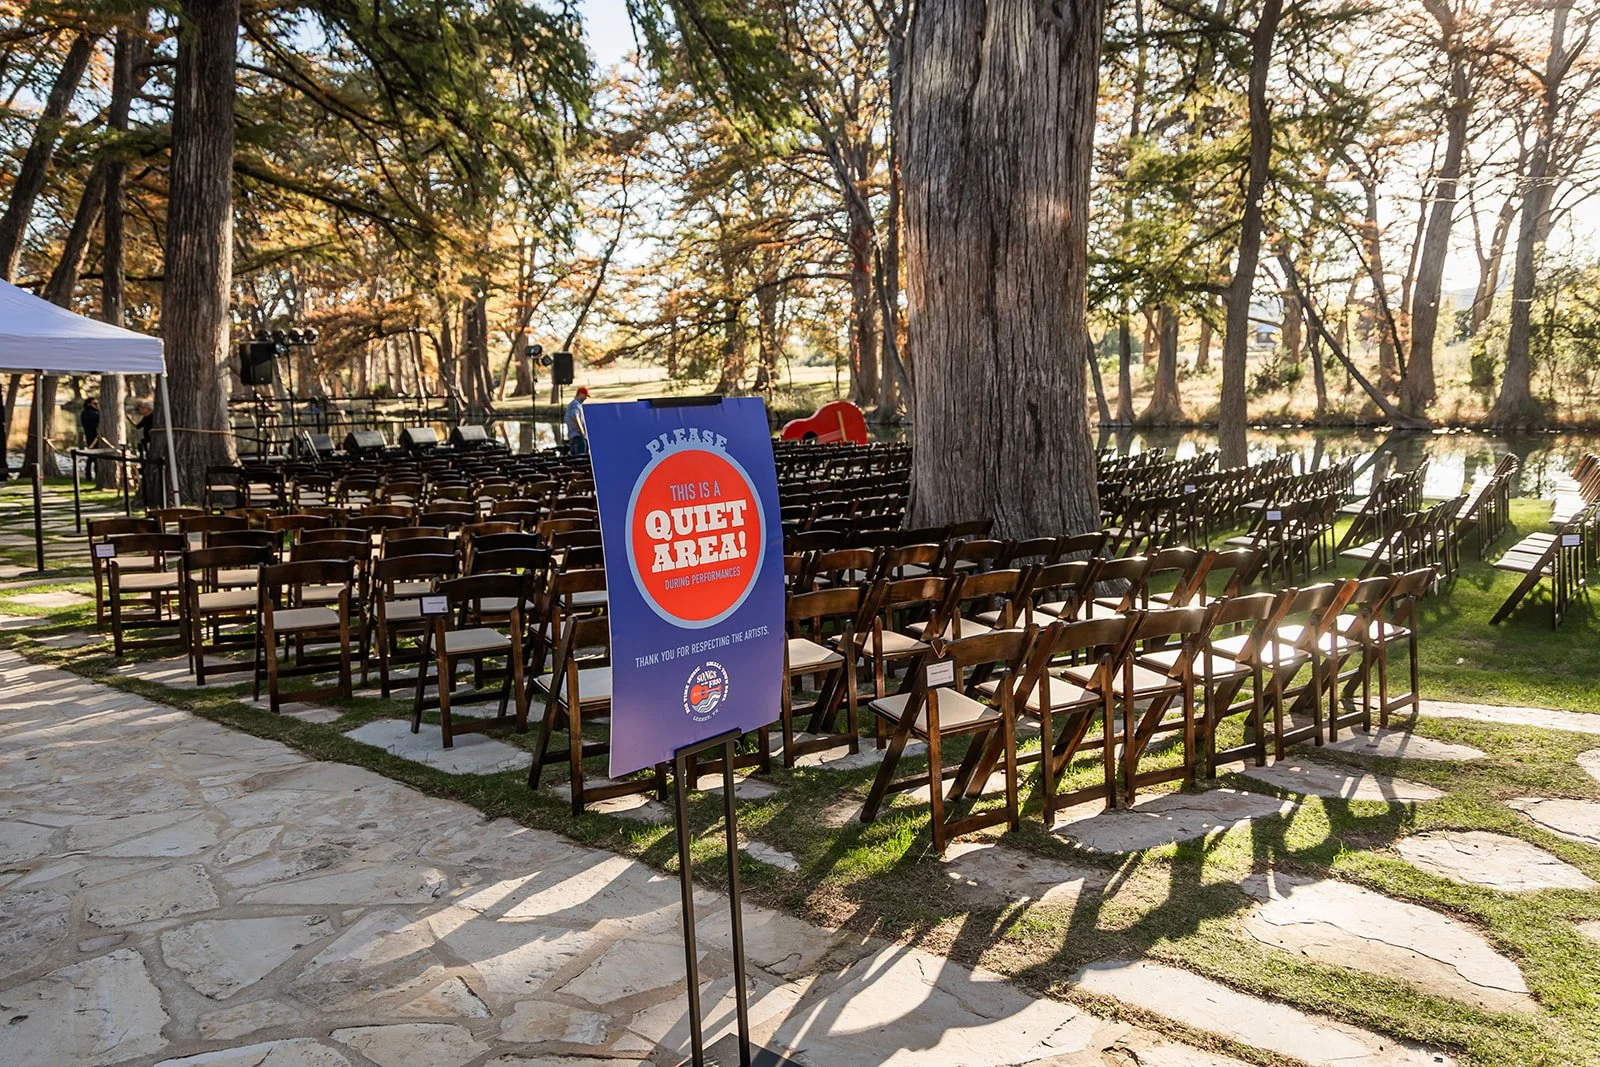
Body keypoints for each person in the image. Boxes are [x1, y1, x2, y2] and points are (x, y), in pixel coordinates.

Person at [79, 398, 101, 477]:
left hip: (89, 436)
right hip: (95, 437)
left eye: (97, 404)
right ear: (88, 404)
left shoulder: (83, 413)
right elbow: (98, 422)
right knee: (95, 456)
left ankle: (88, 474)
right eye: (94, 403)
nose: (96, 405)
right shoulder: (93, 413)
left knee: (91, 456)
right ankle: (95, 473)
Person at [565, 386, 590, 457]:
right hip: (578, 437)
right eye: (585, 396)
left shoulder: (577, 404)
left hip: (575, 436)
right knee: (580, 459)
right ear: (580, 394)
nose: (586, 398)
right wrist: (582, 431)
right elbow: (575, 417)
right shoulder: (575, 404)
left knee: (576, 459)